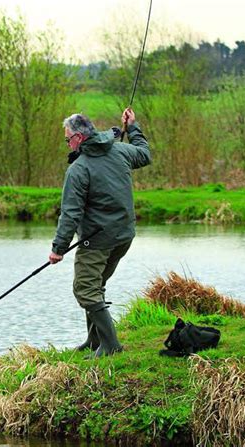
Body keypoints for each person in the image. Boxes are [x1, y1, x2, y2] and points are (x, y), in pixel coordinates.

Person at [48, 108, 151, 357]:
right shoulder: (120, 150)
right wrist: (133, 127)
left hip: (97, 241)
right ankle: (94, 341)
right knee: (97, 285)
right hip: (124, 236)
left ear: (79, 138)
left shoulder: (79, 169)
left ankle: (111, 346)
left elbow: (70, 214)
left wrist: (58, 249)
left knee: (85, 288)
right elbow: (145, 154)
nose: (67, 144)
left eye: (67, 139)